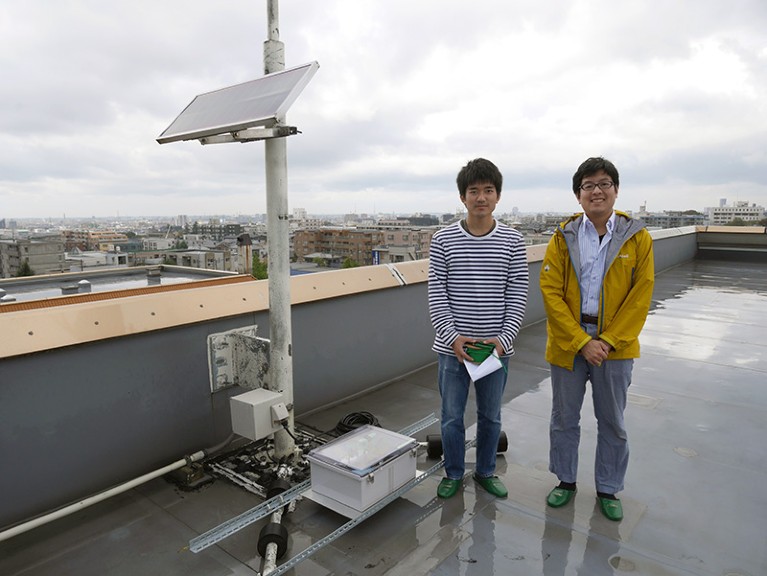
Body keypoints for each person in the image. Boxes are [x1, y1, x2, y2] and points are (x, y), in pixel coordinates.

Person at [540, 156, 654, 521]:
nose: (597, 191)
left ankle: (608, 487)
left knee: (612, 421)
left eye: (604, 184)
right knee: (564, 418)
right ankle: (565, 481)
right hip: (568, 341)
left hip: (614, 348)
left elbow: (641, 296)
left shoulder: (637, 238)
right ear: (579, 195)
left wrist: (606, 341)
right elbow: (550, 292)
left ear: (616, 190)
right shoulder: (563, 236)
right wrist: (580, 341)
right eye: (588, 186)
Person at [428, 158, 529, 499]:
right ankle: (453, 473)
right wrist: (453, 338)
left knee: (490, 417)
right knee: (451, 418)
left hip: (495, 348)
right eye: (474, 191)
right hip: (452, 348)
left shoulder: (513, 242)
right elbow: (436, 294)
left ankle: (486, 470)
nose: (481, 197)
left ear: (498, 196)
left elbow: (517, 295)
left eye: (488, 190)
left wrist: (502, 341)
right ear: (463, 197)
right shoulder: (442, 240)